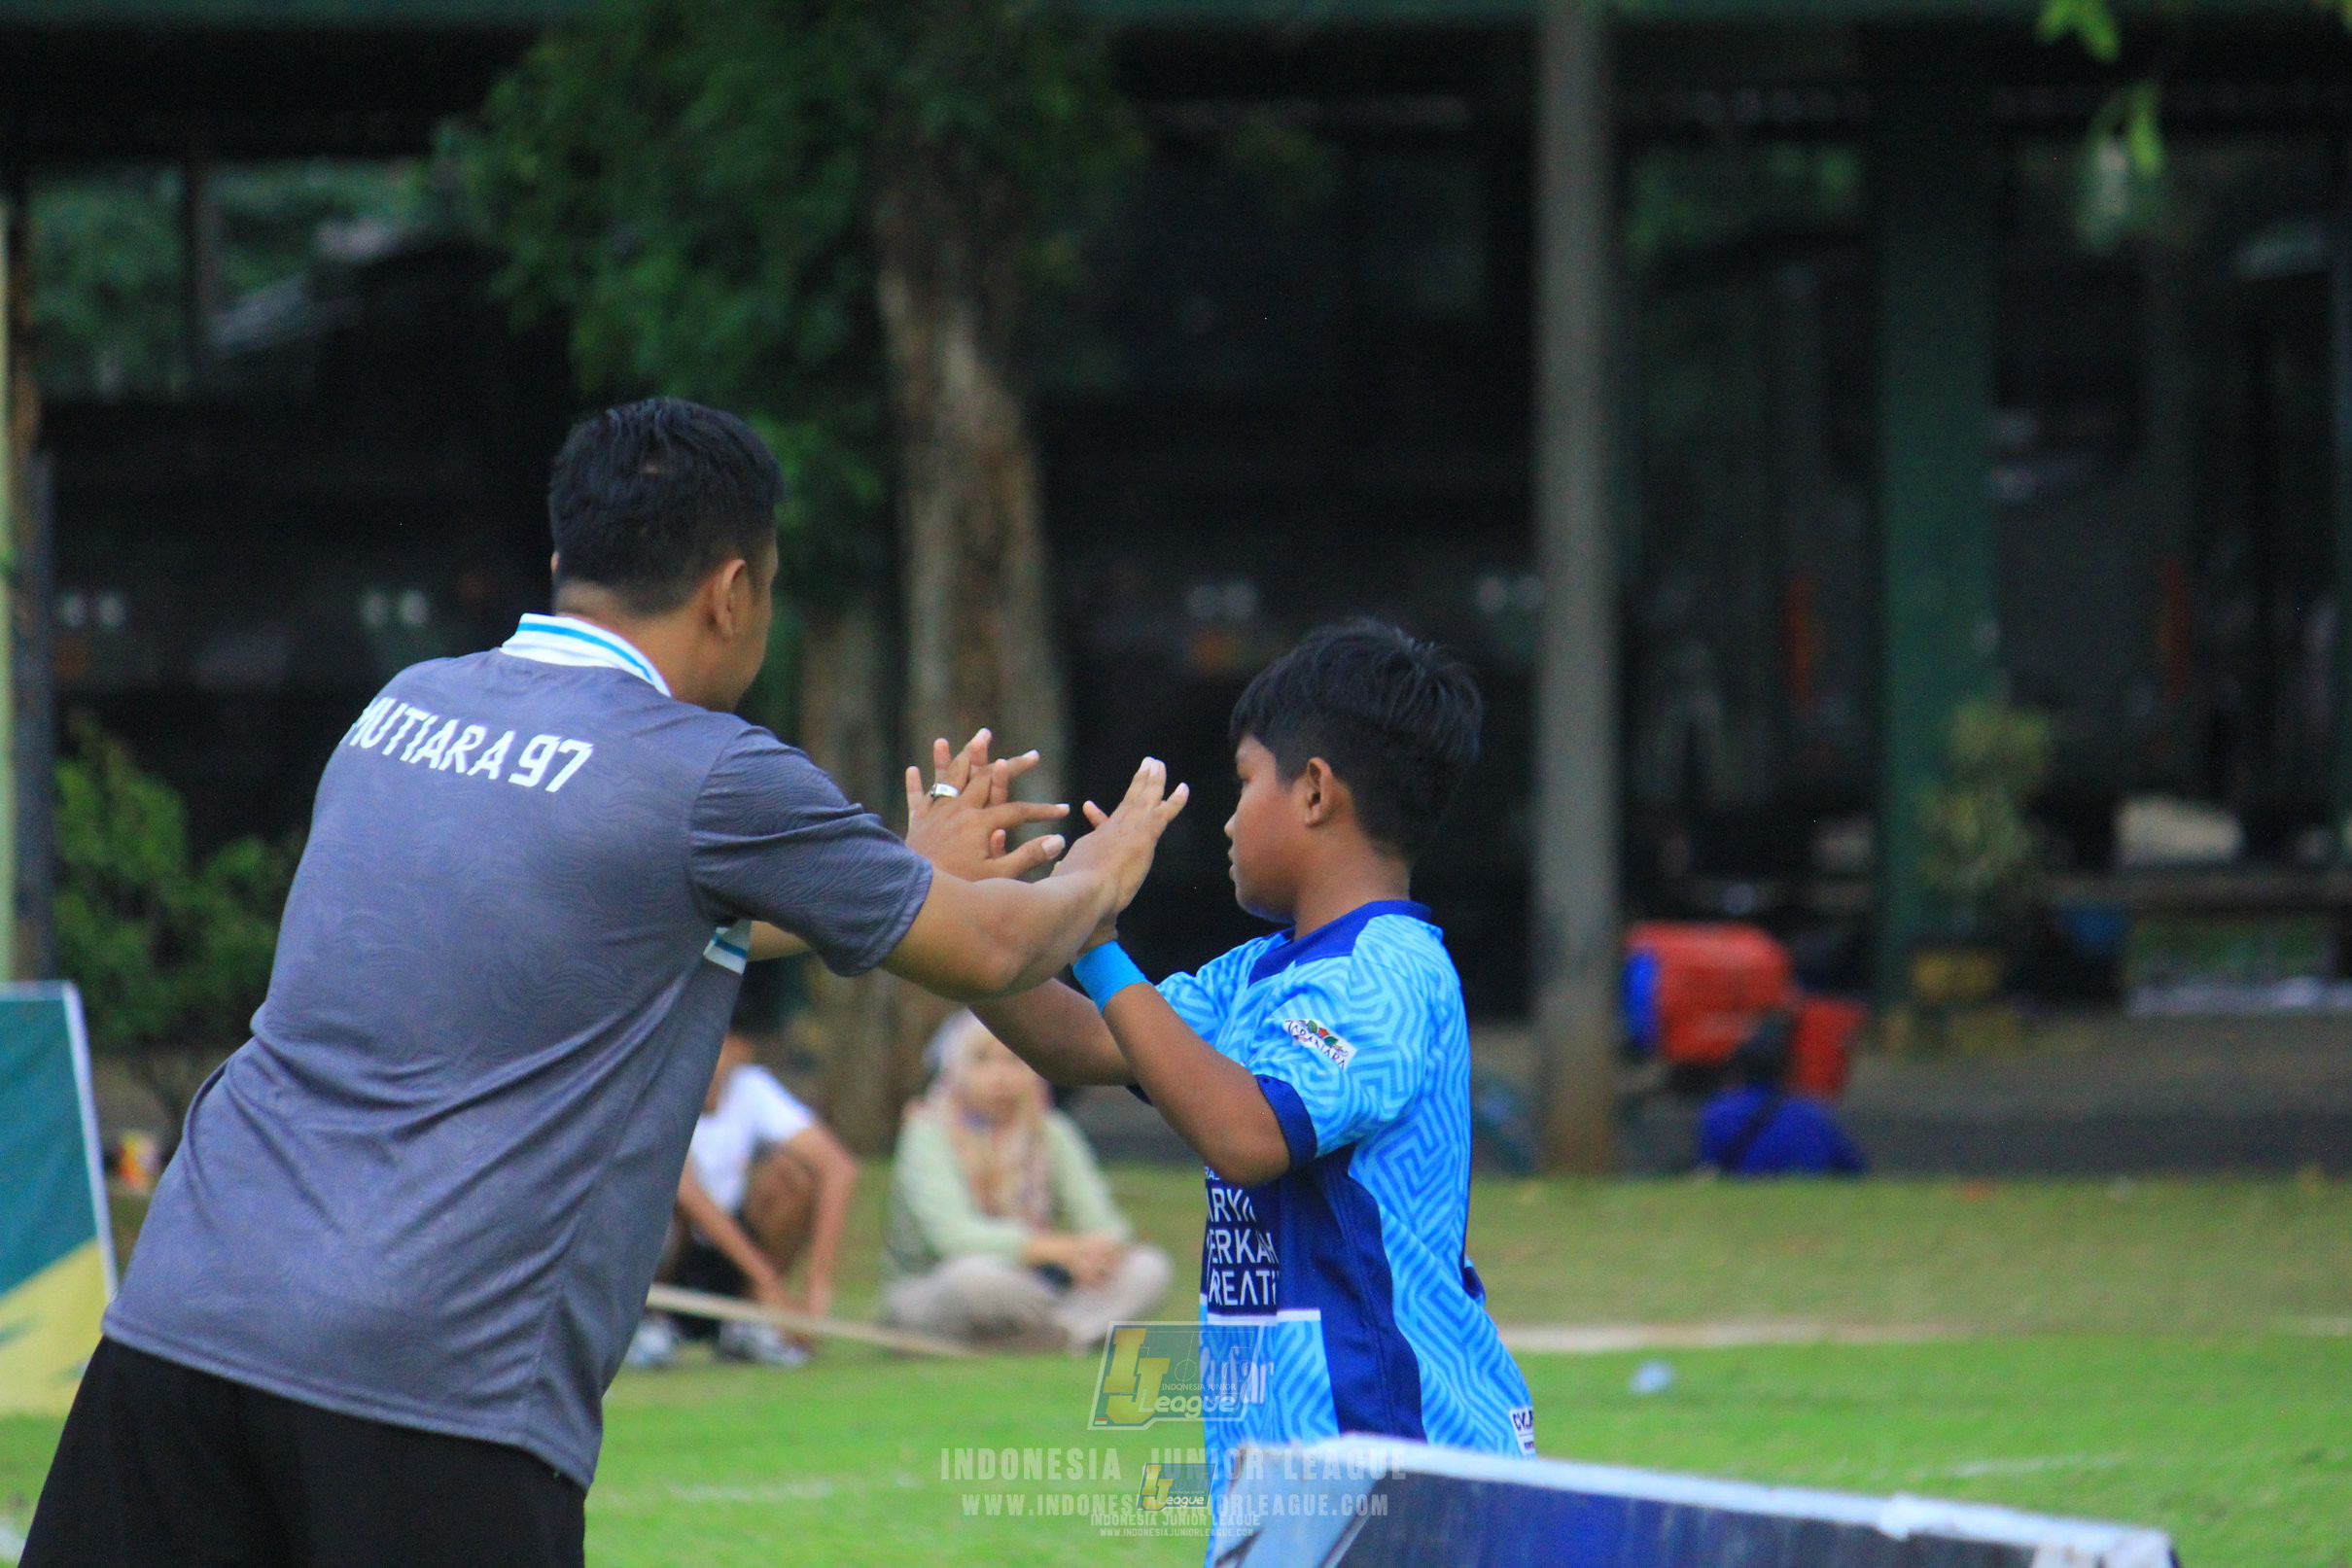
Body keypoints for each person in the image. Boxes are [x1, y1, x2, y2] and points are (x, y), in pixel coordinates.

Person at [23, 397, 1187, 1568]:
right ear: (733, 590)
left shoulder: (405, 705)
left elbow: (620, 924)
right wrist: (1101, 871)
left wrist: (887, 878)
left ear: (560, 560)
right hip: (431, 1377)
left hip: (182, 1313)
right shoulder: (708, 768)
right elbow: (992, 950)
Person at [968, 620, 1535, 1541]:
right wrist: (951, 908)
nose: (1227, 821)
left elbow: (1247, 1135)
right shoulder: (1260, 971)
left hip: (1396, 1469)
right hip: (1282, 1477)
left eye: (1240, 783)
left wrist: (1099, 938)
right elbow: (1082, 1041)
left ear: (1313, 790)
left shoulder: (1387, 973)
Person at [880, 1012, 1170, 1350]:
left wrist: (1095, 1252)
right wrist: (1058, 1250)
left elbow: (1105, 1223)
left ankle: (1058, 1335)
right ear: (955, 1067)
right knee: (973, 1279)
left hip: (1039, 1284)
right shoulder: (928, 1131)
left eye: (1015, 1060)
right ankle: (1074, 1333)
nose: (1000, 1076)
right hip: (939, 1283)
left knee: (1149, 1268)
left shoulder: (1049, 1130)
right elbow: (952, 1238)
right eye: (982, 1060)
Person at [627, 1025, 860, 1370]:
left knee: (794, 1177)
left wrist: (816, 1287)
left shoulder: (751, 1088)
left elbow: (838, 1169)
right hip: (673, 1257)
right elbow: (685, 1193)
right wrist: (769, 1285)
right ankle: (651, 1323)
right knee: (659, 1199)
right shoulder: (656, 1091)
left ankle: (748, 1324)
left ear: (739, 1049)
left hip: (733, 1257)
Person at [1696, 1016, 1867, 1177]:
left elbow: (1712, 1166)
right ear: (1788, 1069)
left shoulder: (1717, 1113)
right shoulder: (1814, 1115)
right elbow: (1854, 1170)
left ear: (1738, 1070)